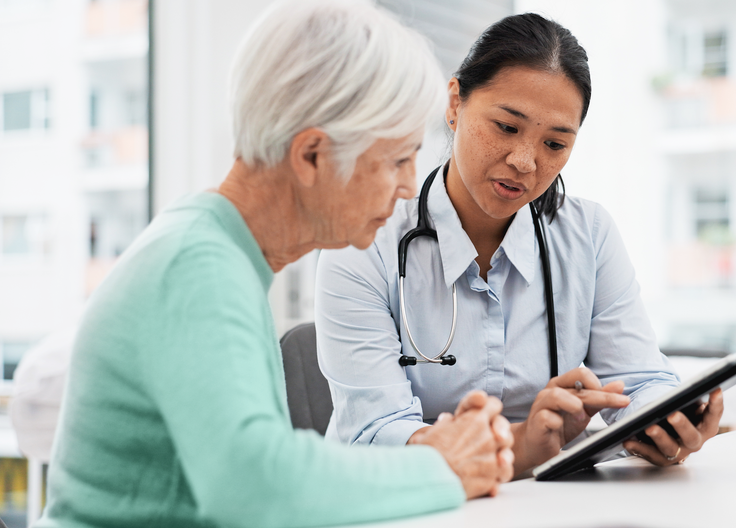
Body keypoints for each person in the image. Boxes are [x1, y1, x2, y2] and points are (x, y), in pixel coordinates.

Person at [36, 2, 515, 527]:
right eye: (397, 159)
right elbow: (255, 486)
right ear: (311, 155)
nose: (408, 186)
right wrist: (442, 465)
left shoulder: (212, 252)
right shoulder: (198, 271)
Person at [316, 12, 724, 477]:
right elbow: (373, 435)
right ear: (454, 104)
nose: (525, 162)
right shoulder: (365, 242)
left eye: (555, 144)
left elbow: (640, 381)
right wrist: (521, 445)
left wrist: (664, 420)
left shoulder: (587, 234)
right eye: (507, 128)